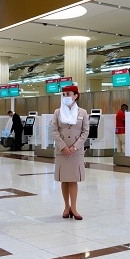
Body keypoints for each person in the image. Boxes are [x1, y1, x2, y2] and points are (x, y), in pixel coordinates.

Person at [50, 84, 89, 220]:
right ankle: (66, 207)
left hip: (76, 152)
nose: (66, 97)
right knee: (64, 180)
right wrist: (63, 146)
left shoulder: (82, 113)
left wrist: (74, 147)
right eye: (64, 94)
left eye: (69, 94)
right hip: (62, 151)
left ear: (76, 96)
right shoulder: (57, 112)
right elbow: (54, 131)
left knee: (73, 180)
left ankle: (74, 207)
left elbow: (85, 132)